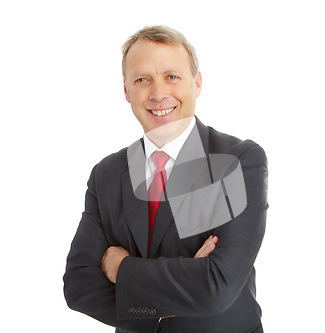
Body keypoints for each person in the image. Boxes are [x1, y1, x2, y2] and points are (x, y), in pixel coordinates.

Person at [63, 25, 268, 333]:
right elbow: (79, 285)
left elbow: (218, 288)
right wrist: (184, 289)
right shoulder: (105, 174)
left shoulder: (238, 161)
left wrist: (120, 268)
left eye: (172, 76)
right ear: (126, 90)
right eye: (142, 80)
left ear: (196, 83)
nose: (159, 94)